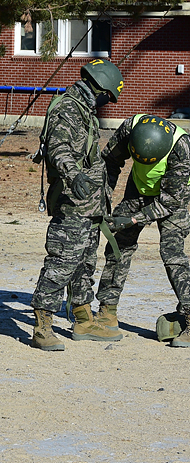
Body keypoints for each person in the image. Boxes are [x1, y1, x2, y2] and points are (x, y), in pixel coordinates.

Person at [30, 58, 125, 350]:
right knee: (62, 263)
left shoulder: (85, 111)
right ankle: (42, 326)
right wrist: (74, 176)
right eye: (106, 96)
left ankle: (83, 320)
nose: (105, 101)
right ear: (98, 87)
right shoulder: (69, 109)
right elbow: (59, 149)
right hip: (72, 203)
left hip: (89, 205)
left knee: (84, 264)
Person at [95, 114, 190, 346]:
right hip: (139, 188)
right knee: (119, 245)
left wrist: (133, 219)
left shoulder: (183, 149)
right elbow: (109, 161)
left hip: (174, 197)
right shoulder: (129, 128)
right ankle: (107, 312)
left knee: (172, 254)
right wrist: (103, 200)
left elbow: (169, 203)